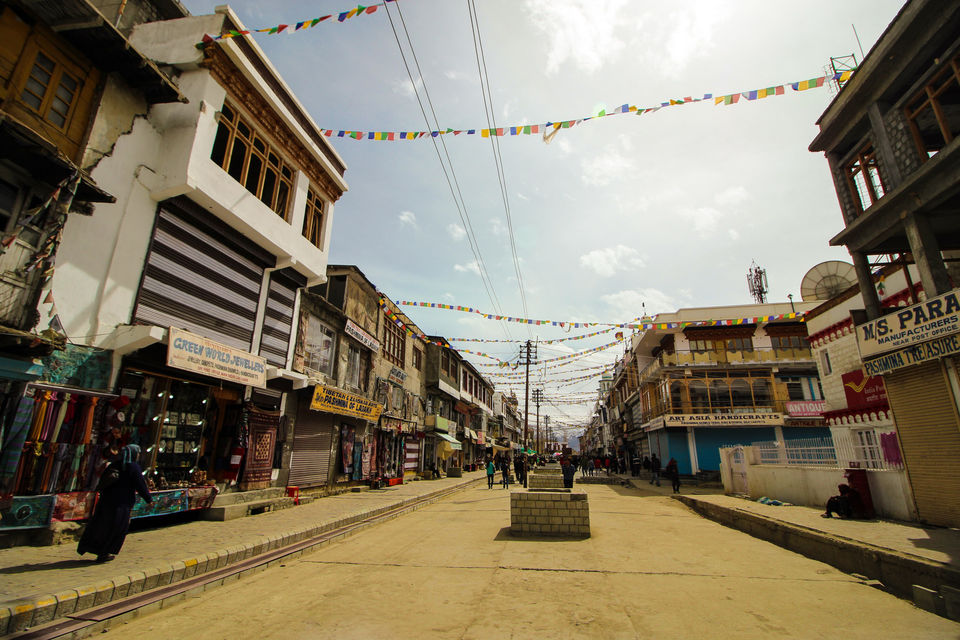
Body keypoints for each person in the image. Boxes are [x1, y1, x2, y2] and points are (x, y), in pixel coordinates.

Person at [78, 444, 152, 563]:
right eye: (137, 453)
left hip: (106, 502)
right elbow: (140, 485)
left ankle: (93, 549)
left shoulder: (114, 465)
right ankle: (104, 553)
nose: (138, 455)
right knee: (116, 529)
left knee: (101, 527)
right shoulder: (133, 467)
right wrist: (149, 499)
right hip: (121, 505)